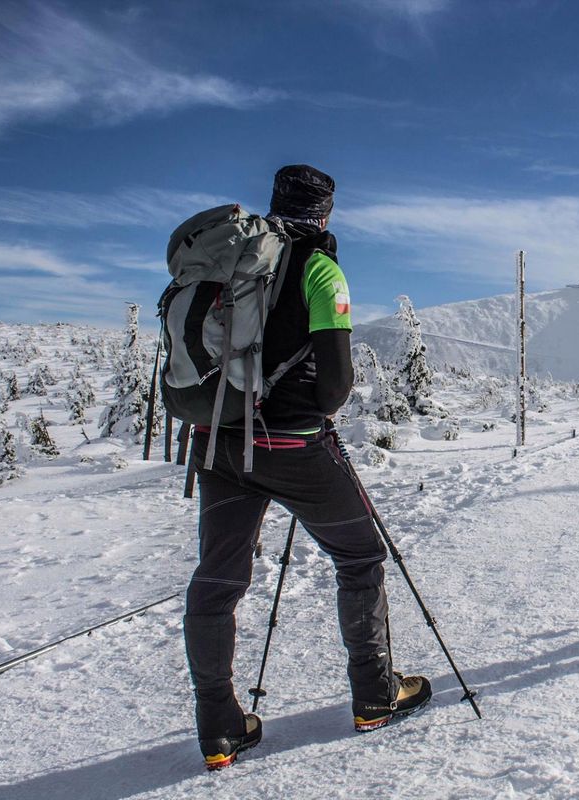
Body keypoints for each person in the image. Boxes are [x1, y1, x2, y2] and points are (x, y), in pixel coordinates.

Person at [183, 165, 431, 770]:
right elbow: (337, 381)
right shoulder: (321, 269)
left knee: (218, 579)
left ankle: (219, 727)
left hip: (218, 444)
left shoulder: (231, 260)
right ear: (326, 214)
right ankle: (374, 693)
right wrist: (308, 409)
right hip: (293, 449)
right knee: (360, 555)